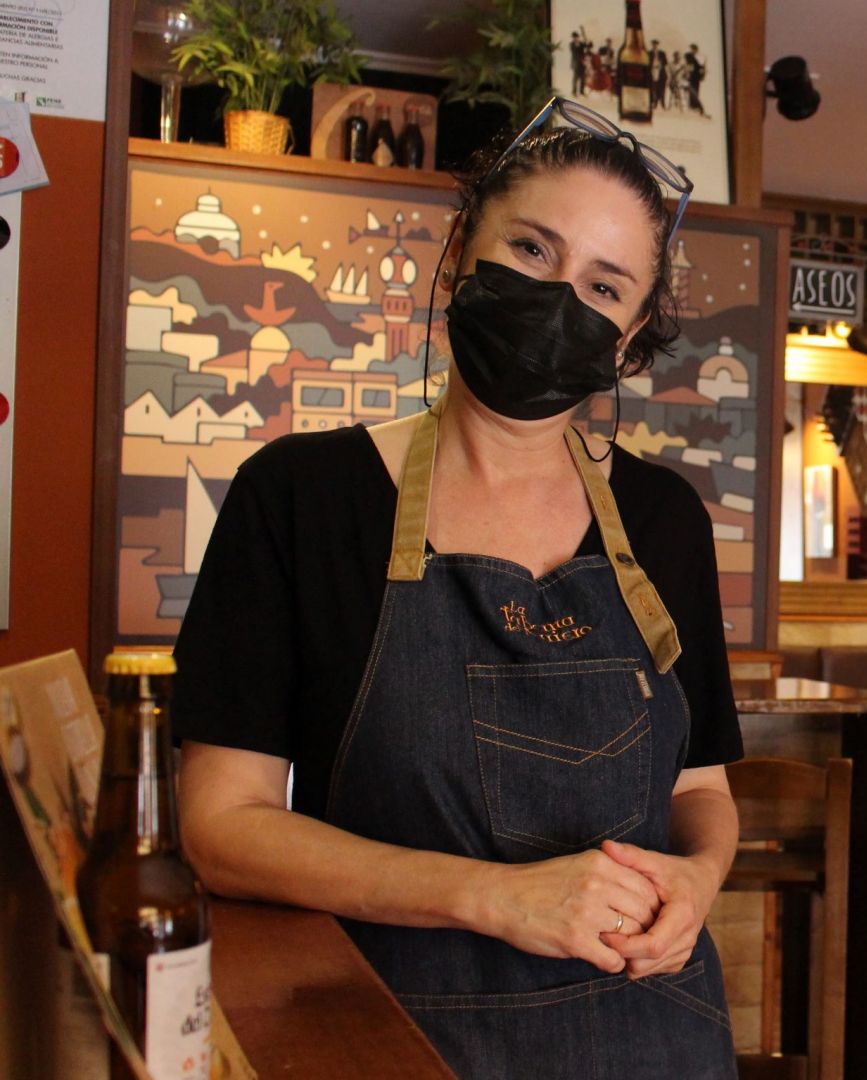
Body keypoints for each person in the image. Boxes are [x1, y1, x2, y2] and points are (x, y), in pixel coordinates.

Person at [172, 99, 735, 1080]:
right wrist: (490, 896)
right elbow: (223, 830)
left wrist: (699, 879)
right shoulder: (302, 498)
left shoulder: (665, 521)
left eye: (603, 286)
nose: (560, 298)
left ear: (633, 332)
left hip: (651, 1033)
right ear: (463, 246)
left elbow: (701, 794)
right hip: (388, 1029)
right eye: (530, 249)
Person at [685, 43, 707, 116]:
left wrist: (703, 74)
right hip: (691, 76)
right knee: (691, 90)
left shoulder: (699, 57)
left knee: (696, 89)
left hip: (696, 76)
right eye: (692, 49)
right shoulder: (688, 55)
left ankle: (695, 105)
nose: (693, 50)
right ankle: (691, 105)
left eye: (694, 49)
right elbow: (688, 64)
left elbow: (701, 66)